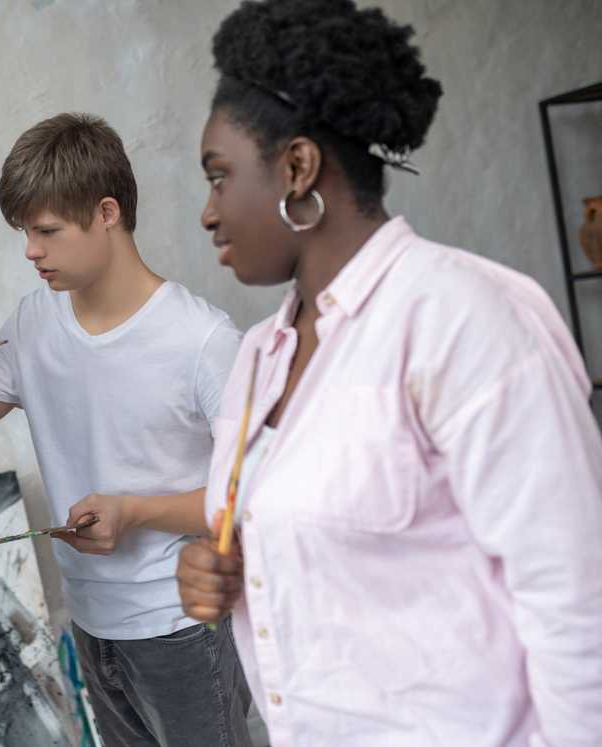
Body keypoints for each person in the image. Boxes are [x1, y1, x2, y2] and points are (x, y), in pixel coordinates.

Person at [176, 1, 602, 745]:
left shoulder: (460, 320)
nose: (209, 213)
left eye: (220, 177)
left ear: (297, 167)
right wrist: (225, 570)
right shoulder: (258, 358)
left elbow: (578, 606)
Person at [0, 113, 253, 745]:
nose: (31, 250)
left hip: (183, 629)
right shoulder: (34, 324)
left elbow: (250, 501)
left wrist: (134, 511)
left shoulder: (203, 342)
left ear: (107, 212)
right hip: (93, 627)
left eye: (47, 231)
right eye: (25, 232)